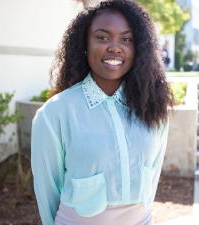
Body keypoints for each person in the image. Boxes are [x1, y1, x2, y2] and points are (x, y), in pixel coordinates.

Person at [31, 1, 173, 224]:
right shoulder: (55, 113)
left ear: (139, 48)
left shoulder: (153, 109)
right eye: (102, 37)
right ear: (84, 44)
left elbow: (152, 178)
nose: (115, 47)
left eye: (126, 39)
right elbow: (47, 192)